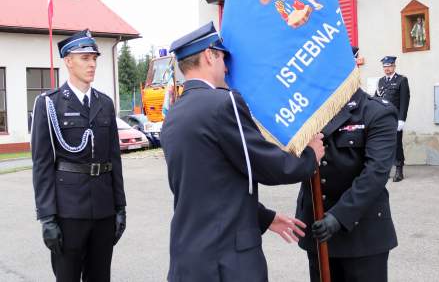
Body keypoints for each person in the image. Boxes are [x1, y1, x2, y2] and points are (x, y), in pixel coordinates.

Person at [161, 21, 325, 282]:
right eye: (224, 57)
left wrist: (265, 218)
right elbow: (266, 163)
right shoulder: (223, 103)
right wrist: (309, 157)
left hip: (188, 259)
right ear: (209, 55)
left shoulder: (173, 114)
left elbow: (206, 187)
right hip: (227, 262)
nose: (227, 67)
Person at [31, 29, 127, 282]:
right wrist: (47, 217)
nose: (92, 63)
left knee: (100, 277)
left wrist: (120, 207)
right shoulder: (49, 104)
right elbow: (41, 165)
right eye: (85, 58)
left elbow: (114, 159)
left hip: (104, 209)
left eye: (95, 58)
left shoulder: (104, 103)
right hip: (68, 212)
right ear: (68, 61)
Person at [295, 83, 399, 281]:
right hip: (318, 229)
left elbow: (375, 173)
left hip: (361, 235)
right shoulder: (306, 111)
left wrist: (338, 217)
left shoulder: (376, 111)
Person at [375, 56, 410, 181]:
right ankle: (386, 169)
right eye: (384, 66)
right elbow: (377, 98)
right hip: (383, 118)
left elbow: (404, 101)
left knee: (396, 144)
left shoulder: (401, 80)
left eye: (389, 66)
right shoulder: (381, 81)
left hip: (395, 118)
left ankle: (399, 170)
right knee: (383, 144)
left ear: (394, 66)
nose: (387, 69)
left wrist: (402, 119)